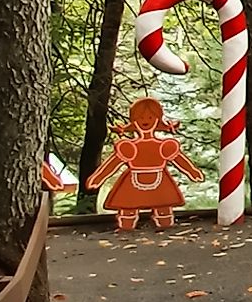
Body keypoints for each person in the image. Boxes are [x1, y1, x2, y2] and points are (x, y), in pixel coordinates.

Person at [85, 98, 203, 230]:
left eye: (150, 117)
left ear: (157, 120)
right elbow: (114, 162)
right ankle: (127, 229)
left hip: (160, 182)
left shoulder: (164, 146)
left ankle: (165, 228)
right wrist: (99, 177)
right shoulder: (129, 147)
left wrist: (192, 171)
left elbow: (178, 159)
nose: (145, 121)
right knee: (128, 208)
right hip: (132, 182)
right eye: (140, 117)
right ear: (134, 120)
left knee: (163, 207)